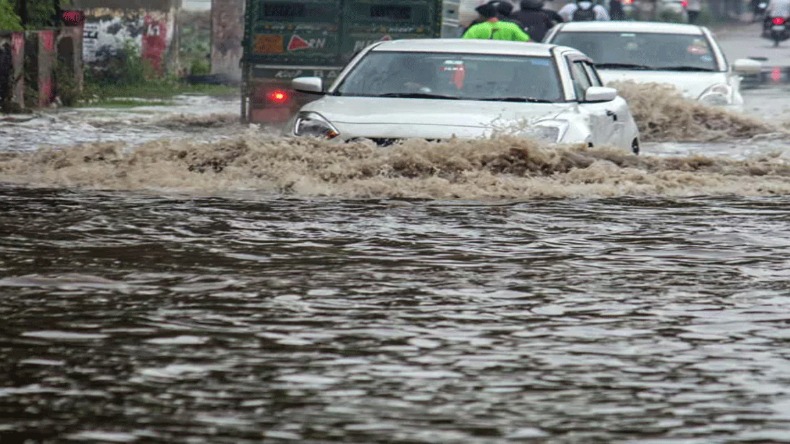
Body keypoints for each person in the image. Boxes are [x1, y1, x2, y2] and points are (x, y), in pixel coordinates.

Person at [463, 1, 532, 41]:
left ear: (482, 16)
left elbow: (463, 44)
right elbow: (527, 41)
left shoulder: (475, 29)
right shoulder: (512, 27)